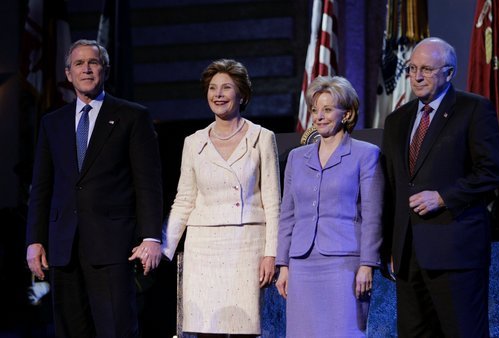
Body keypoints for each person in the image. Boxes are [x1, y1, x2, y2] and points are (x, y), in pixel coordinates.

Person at [25, 39, 163, 338]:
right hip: (63, 248)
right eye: (79, 63)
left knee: (116, 329)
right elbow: (42, 188)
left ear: (105, 70)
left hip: (113, 246)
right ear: (68, 73)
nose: (86, 69)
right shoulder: (53, 123)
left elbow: (148, 183)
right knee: (71, 331)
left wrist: (152, 236)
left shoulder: (132, 116)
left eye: (94, 62)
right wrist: (34, 240)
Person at [381, 37, 499, 337]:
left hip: (455, 252)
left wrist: (443, 197)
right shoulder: (396, 120)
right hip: (407, 255)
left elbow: (493, 171)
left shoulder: (473, 109)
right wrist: (388, 246)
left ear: (449, 73)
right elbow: (390, 187)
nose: (417, 76)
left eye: (426, 69)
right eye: (412, 68)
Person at [163, 59, 281, 337]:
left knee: (244, 328)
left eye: (226, 87)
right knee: (206, 327)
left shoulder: (262, 137)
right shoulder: (193, 142)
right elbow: (184, 200)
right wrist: (163, 248)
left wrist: (271, 253)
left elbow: (274, 202)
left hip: (247, 245)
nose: (218, 94)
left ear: (242, 94)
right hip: (203, 248)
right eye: (213, 88)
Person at [275, 75, 384, 337]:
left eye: (327, 109)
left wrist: (367, 264)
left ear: (346, 114)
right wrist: (284, 265)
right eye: (315, 110)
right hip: (301, 262)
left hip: (344, 263)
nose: (319, 116)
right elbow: (287, 215)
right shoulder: (296, 158)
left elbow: (372, 214)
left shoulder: (365, 154)